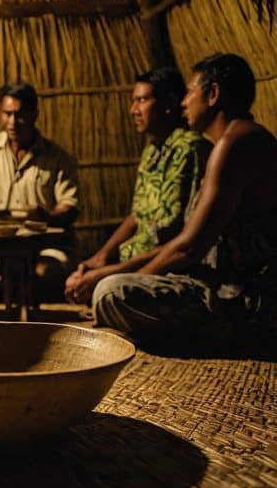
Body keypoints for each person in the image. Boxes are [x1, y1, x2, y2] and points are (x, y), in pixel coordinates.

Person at [91, 53, 277, 341]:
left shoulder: (235, 145)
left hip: (249, 300)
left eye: (190, 92)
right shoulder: (232, 141)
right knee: (112, 289)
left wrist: (142, 279)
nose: (183, 102)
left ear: (213, 94)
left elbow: (188, 246)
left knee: (112, 292)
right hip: (221, 285)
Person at [65, 67, 211, 304]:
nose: (134, 110)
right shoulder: (152, 150)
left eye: (142, 100)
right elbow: (137, 213)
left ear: (169, 103)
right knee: (79, 280)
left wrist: (110, 274)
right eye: (134, 102)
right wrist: (101, 258)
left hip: (168, 269)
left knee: (104, 292)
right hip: (133, 262)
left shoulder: (190, 150)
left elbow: (182, 241)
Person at [0, 82, 79, 298]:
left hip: (43, 248)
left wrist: (46, 217)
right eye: (7, 114)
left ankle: (9, 283)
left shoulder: (58, 158)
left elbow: (70, 207)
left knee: (43, 272)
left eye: (19, 115)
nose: (12, 123)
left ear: (34, 114)